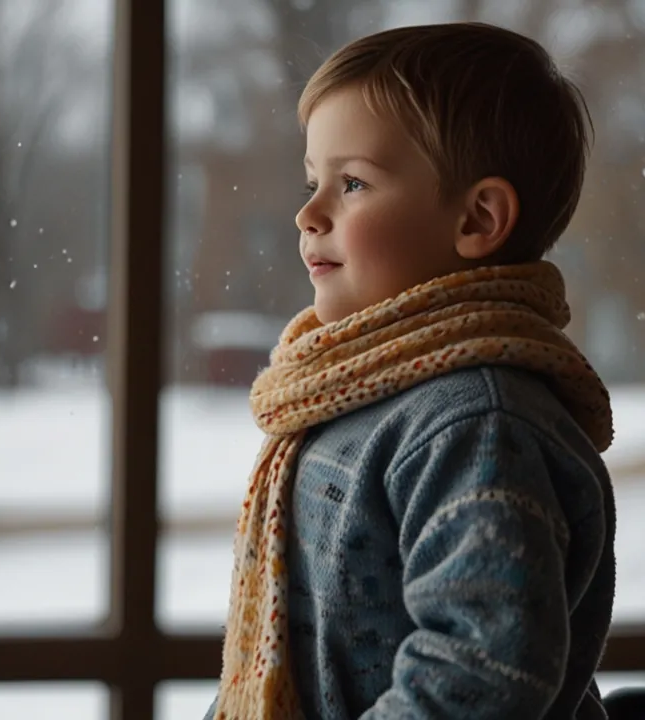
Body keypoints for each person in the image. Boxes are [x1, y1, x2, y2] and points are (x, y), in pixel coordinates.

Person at [206, 22, 617, 719]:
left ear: (478, 218)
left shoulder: (478, 423)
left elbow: (483, 670)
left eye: (353, 182)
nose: (308, 214)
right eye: (314, 182)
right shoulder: (359, 396)